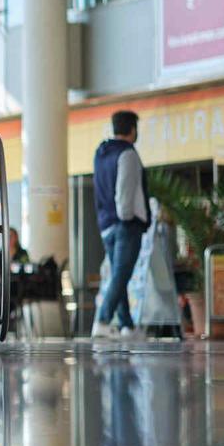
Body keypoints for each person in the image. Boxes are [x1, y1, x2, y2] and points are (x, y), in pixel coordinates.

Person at [92, 109, 148, 339]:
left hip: (106, 224)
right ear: (132, 130)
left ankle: (127, 325)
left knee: (119, 274)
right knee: (121, 274)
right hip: (125, 224)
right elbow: (124, 192)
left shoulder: (101, 153)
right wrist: (126, 219)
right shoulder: (128, 154)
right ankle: (103, 320)